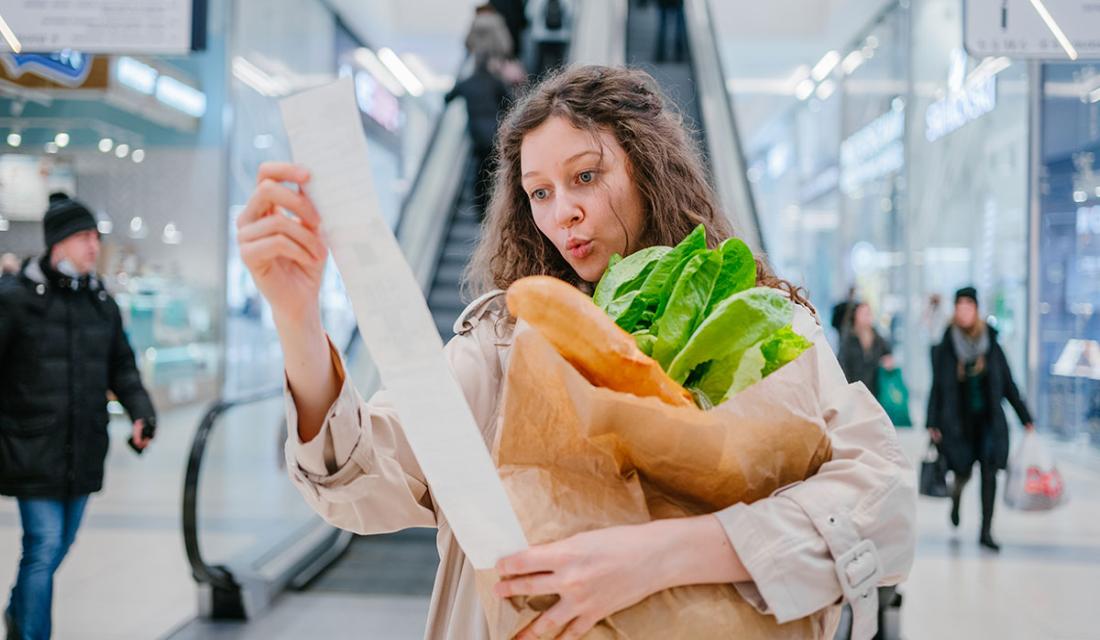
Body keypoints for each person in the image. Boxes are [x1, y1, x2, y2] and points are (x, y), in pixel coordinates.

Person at [237, 66, 914, 640]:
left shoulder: (758, 321)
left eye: (585, 176)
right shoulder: (504, 345)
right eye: (540, 192)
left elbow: (880, 502)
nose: (563, 211)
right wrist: (296, 318)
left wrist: (660, 555)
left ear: (648, 168)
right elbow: (362, 482)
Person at [0, 193, 156, 640]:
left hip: (83, 446)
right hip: (30, 445)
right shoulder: (14, 300)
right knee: (43, 547)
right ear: (59, 242)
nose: (94, 246)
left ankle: (16, 609)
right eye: (84, 237)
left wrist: (141, 412)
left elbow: (122, 367)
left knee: (59, 545)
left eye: (96, 237)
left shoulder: (100, 303)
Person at [927, 286, 1034, 553]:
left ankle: (986, 531)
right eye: (959, 307)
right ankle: (956, 497)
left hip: (989, 423)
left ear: (976, 310)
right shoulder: (946, 345)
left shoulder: (991, 343)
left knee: (989, 474)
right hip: (957, 423)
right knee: (962, 471)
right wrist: (932, 422)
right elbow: (937, 386)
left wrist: (1025, 418)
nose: (964, 312)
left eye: (968, 307)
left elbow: (1008, 383)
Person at [448, 13, 514, 219]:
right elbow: (510, 104)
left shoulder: (469, 81)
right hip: (496, 132)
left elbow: (448, 97)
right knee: (495, 169)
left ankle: (481, 211)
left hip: (477, 135)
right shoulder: (496, 79)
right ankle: (497, 209)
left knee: (480, 169)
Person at [838, 302, 895, 398]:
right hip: (854, 393)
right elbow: (842, 364)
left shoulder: (878, 339)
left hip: (876, 393)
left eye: (869, 313)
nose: (867, 317)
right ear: (856, 316)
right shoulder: (849, 340)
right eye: (863, 313)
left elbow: (888, 355)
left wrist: (888, 363)